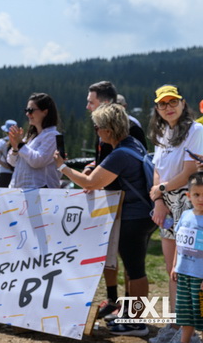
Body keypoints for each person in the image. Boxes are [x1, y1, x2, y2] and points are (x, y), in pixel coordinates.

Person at [54, 103, 157, 337]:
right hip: (144, 214)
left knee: (136, 271)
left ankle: (136, 323)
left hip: (133, 218)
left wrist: (63, 167)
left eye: (97, 127)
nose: (96, 132)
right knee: (134, 269)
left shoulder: (119, 154)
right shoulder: (134, 145)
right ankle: (132, 317)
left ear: (108, 131)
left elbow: (90, 183)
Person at [85, 81, 148, 320]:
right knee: (112, 255)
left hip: (129, 205)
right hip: (112, 201)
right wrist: (94, 166)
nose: (87, 106)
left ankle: (133, 315)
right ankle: (115, 302)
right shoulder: (103, 126)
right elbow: (105, 159)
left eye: (91, 102)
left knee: (132, 263)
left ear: (105, 102)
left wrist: (64, 167)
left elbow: (133, 162)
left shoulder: (129, 127)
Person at [148, 85, 203, 343]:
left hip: (187, 201)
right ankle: (174, 323)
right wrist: (159, 200)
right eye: (163, 103)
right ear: (157, 108)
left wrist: (160, 190)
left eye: (173, 102)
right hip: (167, 202)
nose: (168, 107)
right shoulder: (162, 133)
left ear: (183, 103)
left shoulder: (196, 131)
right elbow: (157, 170)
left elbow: (189, 173)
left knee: (189, 269)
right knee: (172, 267)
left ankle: (189, 331)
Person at [170, 172, 203, 343]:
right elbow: (179, 243)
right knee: (185, 313)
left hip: (200, 277)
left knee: (201, 313)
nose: (201, 199)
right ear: (189, 196)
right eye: (196, 194)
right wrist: (175, 265)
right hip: (184, 274)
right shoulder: (185, 215)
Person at [7, 92, 61, 189]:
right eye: (26, 110)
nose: (27, 114)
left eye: (31, 110)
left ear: (45, 112)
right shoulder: (30, 137)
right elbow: (12, 162)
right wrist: (15, 148)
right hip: (19, 190)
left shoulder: (52, 136)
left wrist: (20, 145)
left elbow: (38, 161)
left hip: (42, 192)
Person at [0, 119, 16, 187]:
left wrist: (5, 165)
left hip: (4, 171)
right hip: (15, 171)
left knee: (2, 191)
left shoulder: (2, 141)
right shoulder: (18, 141)